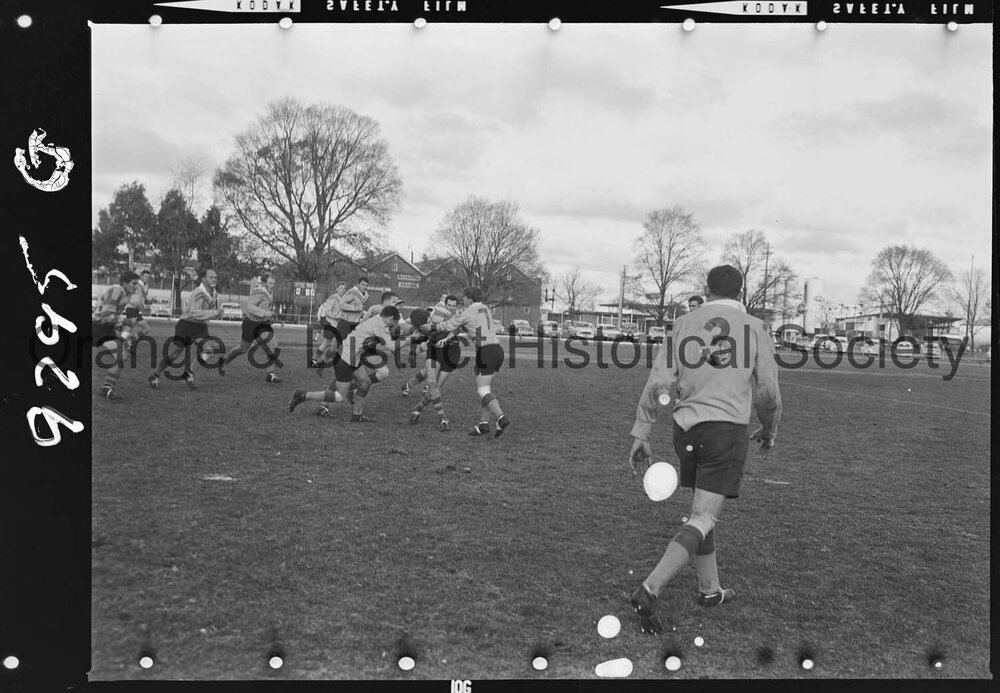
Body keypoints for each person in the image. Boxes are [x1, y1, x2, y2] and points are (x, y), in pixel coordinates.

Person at [627, 265, 782, 635]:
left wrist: (642, 429)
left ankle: (710, 591)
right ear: (740, 292)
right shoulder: (755, 328)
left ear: (707, 289)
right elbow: (767, 392)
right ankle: (649, 589)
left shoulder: (684, 323)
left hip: (686, 430)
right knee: (704, 517)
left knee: (702, 511)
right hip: (725, 432)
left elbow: (659, 382)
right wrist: (770, 429)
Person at [288, 306, 428, 422]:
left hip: (353, 357)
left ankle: (357, 415)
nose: (394, 324)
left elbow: (396, 330)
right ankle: (302, 395)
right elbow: (391, 346)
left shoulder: (380, 320)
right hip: (344, 359)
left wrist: (413, 331)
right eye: (394, 321)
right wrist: (411, 339)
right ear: (390, 318)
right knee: (339, 396)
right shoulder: (379, 325)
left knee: (365, 383)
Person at [433, 287, 510, 437]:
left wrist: (432, 326)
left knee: (483, 391)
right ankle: (483, 424)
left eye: (464, 298)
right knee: (486, 390)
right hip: (498, 351)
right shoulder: (485, 309)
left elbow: (449, 325)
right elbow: (469, 327)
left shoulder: (468, 312)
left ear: (469, 298)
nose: (462, 300)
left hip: (486, 352)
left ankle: (501, 418)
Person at [148, 267, 225, 390]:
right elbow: (194, 313)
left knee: (209, 349)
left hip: (200, 326)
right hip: (186, 326)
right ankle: (155, 374)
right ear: (203, 279)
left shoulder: (214, 292)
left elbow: (205, 311)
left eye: (215, 277)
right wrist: (215, 313)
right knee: (174, 354)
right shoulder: (198, 293)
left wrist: (215, 313)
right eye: (211, 277)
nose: (214, 279)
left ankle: (189, 373)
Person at [405, 294, 462, 431]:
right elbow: (419, 335)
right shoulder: (431, 315)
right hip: (434, 351)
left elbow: (455, 330)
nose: (451, 308)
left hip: (451, 353)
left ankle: (417, 409)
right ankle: (443, 418)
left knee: (435, 389)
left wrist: (446, 339)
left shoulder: (454, 316)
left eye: (454, 306)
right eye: (449, 305)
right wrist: (416, 349)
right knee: (432, 384)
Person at [217, 272, 282, 383]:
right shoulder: (259, 292)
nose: (272, 285)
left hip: (263, 324)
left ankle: (270, 374)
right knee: (242, 349)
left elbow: (265, 310)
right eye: (270, 283)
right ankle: (225, 360)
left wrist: (270, 317)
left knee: (273, 345)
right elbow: (250, 307)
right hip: (251, 324)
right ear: (264, 283)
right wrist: (265, 313)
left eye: (273, 283)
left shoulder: (270, 294)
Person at [92, 271, 141, 400]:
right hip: (97, 326)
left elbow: (112, 317)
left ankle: (107, 388)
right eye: (134, 283)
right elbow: (106, 314)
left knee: (122, 356)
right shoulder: (117, 290)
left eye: (137, 284)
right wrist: (124, 321)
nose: (136, 287)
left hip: (106, 328)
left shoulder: (126, 295)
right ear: (124, 283)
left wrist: (122, 328)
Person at [312, 281, 347, 370]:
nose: (343, 290)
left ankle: (324, 361)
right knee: (325, 344)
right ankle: (314, 360)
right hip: (330, 324)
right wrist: (337, 316)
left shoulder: (344, 299)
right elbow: (327, 312)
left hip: (338, 326)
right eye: (341, 288)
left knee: (338, 345)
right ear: (337, 289)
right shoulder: (333, 298)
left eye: (344, 288)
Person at [123, 269, 154, 345]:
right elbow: (125, 294)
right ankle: (124, 344)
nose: (147, 278)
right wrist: (132, 302)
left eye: (148, 277)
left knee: (129, 330)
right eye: (145, 276)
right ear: (141, 277)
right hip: (131, 309)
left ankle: (126, 343)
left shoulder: (145, 287)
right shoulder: (136, 284)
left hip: (135, 310)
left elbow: (144, 299)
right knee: (145, 329)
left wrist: (149, 301)